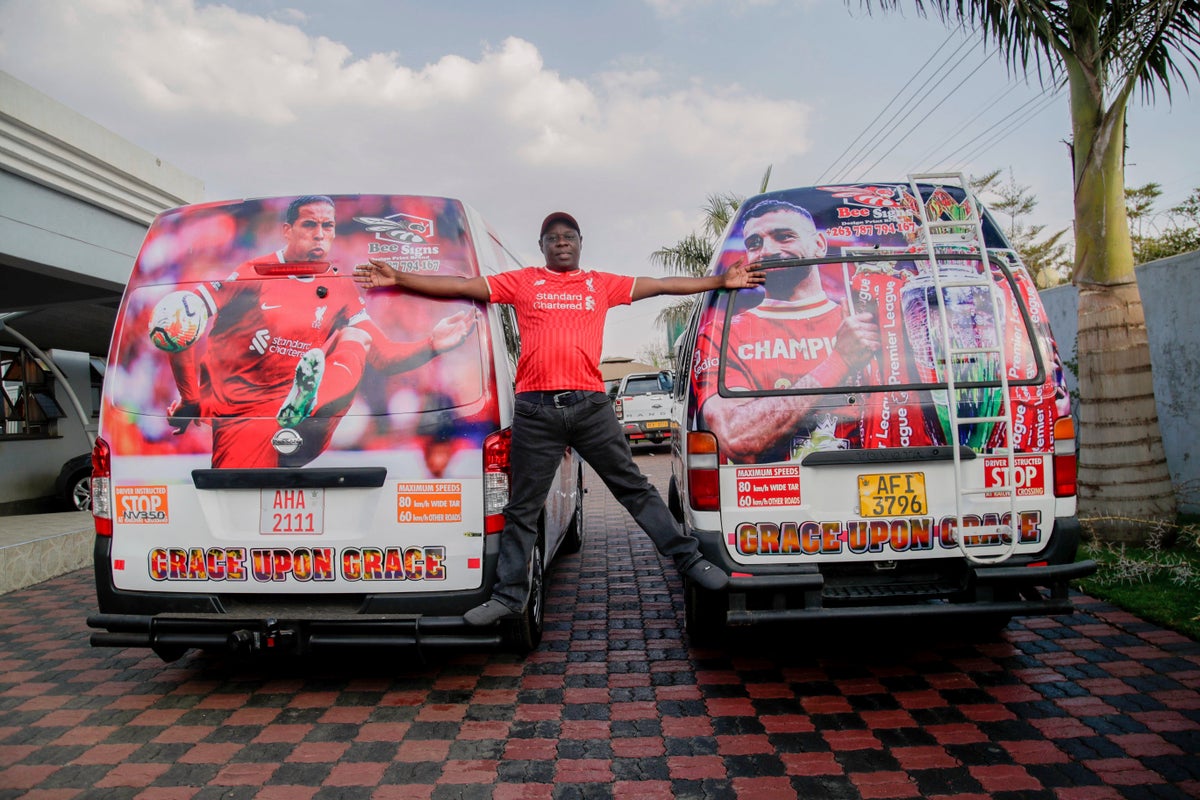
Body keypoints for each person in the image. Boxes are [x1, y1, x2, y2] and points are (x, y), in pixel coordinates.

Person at [355, 211, 763, 626]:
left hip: (590, 407)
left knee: (635, 489)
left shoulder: (600, 284)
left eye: (569, 237)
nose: (562, 242)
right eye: (553, 238)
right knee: (522, 508)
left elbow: (661, 286)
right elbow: (461, 287)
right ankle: (510, 597)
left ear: (581, 242)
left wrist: (720, 281)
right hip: (536, 411)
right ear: (542, 247)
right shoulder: (522, 281)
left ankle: (689, 561)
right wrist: (400, 278)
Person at [165, 195, 476, 468]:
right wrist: (190, 397)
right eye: (310, 225)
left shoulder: (340, 286)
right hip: (247, 422)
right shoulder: (251, 275)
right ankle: (301, 403)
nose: (320, 234)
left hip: (306, 424)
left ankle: (306, 401)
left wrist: (432, 344)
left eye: (327, 226)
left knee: (357, 336)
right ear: (287, 231)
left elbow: (382, 354)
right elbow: (178, 325)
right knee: (240, 513)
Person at [700, 198, 881, 463]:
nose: (768, 251)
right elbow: (737, 436)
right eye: (754, 243)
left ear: (819, 245)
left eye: (784, 237)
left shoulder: (867, 319)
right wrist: (838, 362)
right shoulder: (722, 333)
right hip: (775, 492)